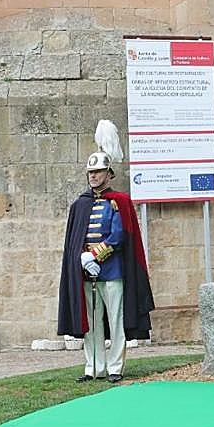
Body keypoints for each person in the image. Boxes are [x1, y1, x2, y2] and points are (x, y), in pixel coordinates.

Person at [58, 120, 154, 382]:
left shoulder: (118, 201)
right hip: (86, 272)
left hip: (112, 270)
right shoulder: (81, 204)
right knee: (90, 321)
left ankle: (114, 367)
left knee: (115, 318)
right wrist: (81, 257)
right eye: (91, 173)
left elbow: (119, 234)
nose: (94, 176)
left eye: (99, 172)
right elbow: (74, 238)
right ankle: (94, 366)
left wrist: (95, 255)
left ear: (109, 174)